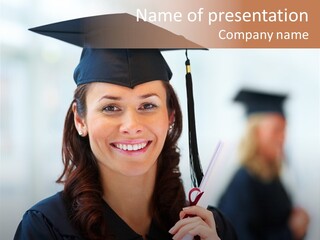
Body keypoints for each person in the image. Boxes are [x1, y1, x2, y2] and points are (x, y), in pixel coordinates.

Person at [14, 14, 237, 240]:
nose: (131, 125)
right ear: (80, 120)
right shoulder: (46, 228)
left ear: (170, 116)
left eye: (148, 105)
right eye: (110, 107)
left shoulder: (207, 227)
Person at [218, 89, 309, 240]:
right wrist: (291, 231)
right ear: (255, 133)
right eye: (276, 130)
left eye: (284, 129)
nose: (283, 138)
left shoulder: (272, 177)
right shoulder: (243, 182)